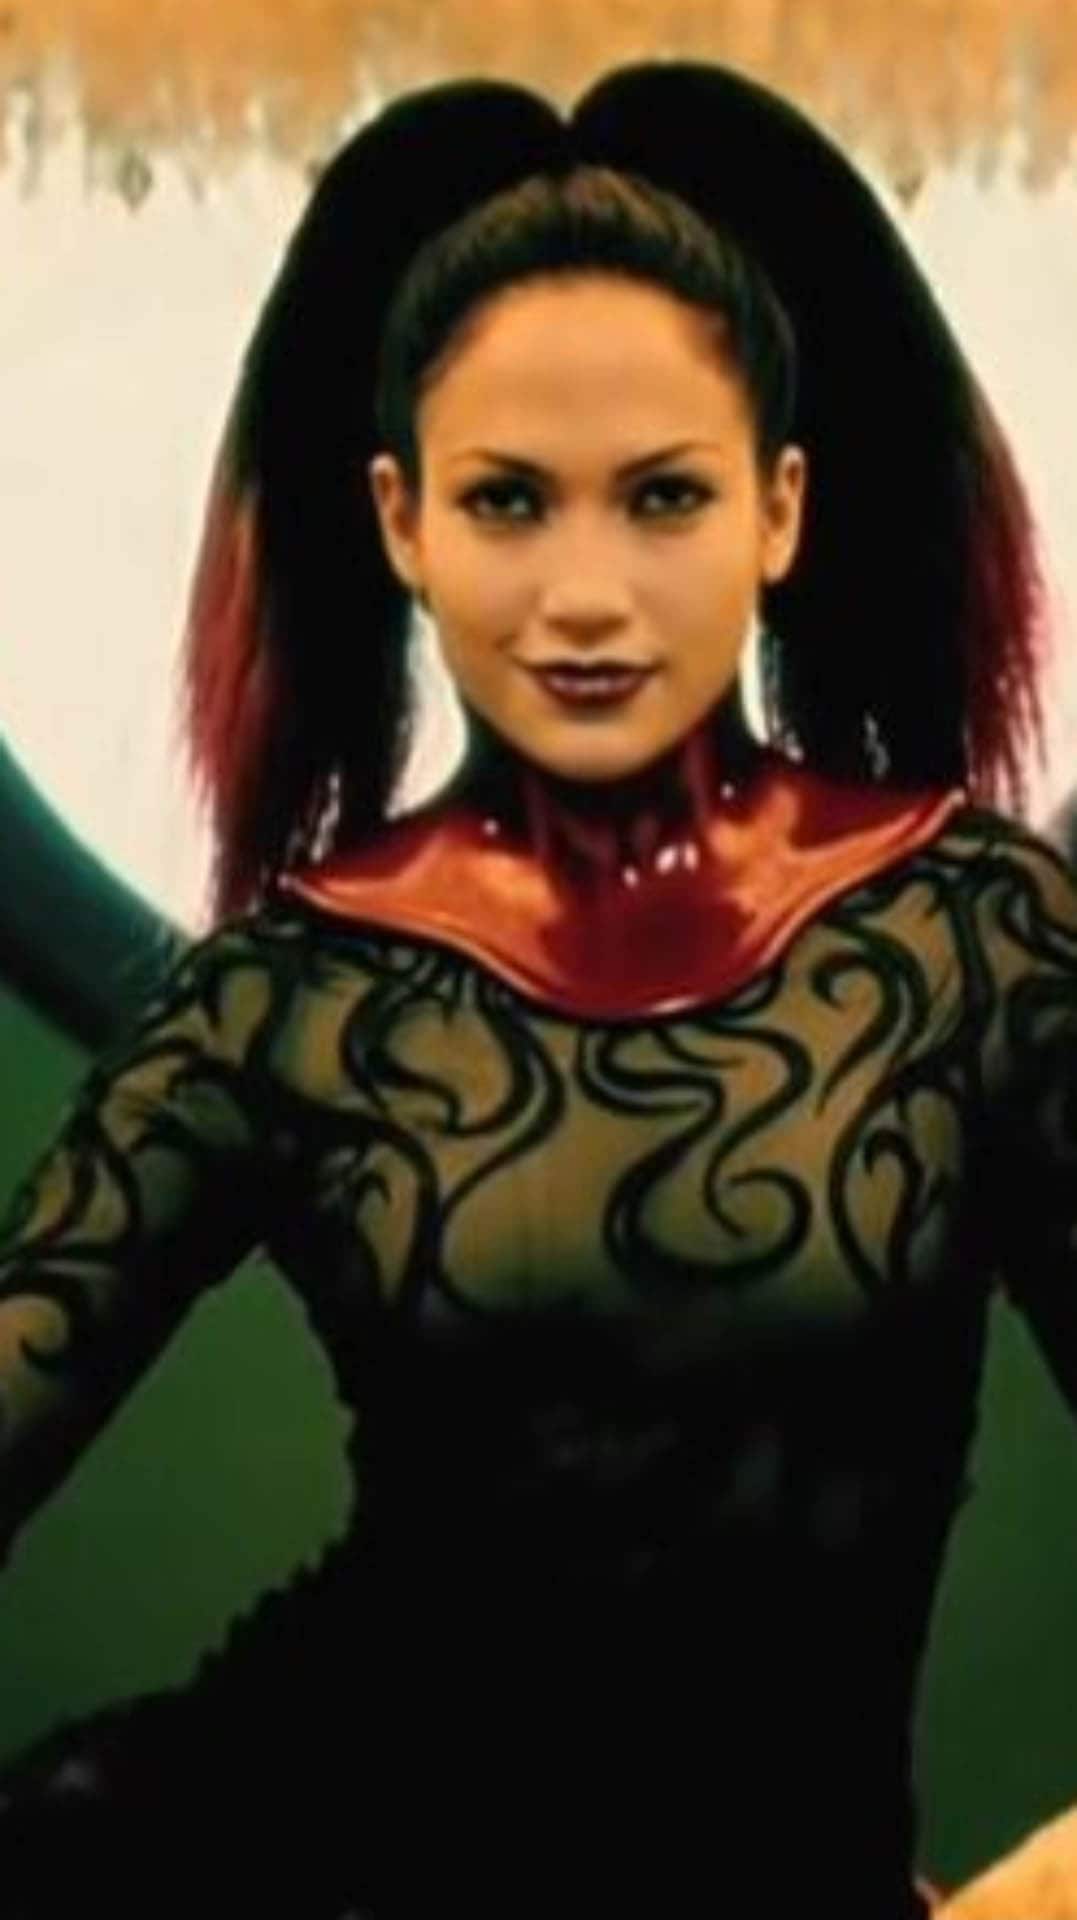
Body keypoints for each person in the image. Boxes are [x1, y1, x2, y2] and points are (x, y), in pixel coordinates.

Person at [0, 57, 1072, 1920]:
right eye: (508, 502)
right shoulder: (291, 992)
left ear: (777, 510)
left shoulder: (969, 935)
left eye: (661, 498)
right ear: (404, 522)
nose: (586, 593)